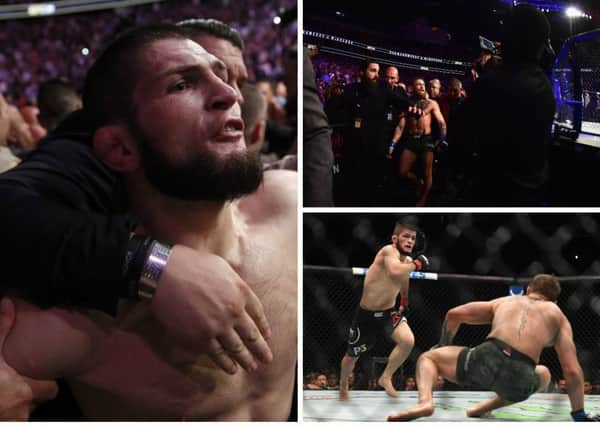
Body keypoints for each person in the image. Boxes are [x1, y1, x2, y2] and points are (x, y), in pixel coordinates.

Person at [0, 24, 296, 421]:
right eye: (181, 85)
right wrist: (151, 265)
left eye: (225, 78)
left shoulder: (288, 206)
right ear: (120, 148)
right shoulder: (76, 324)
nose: (230, 95)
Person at [387, 274, 599, 421]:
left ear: (528, 289)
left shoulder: (505, 302)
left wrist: (443, 346)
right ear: (554, 300)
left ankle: (425, 402)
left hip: (487, 357)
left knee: (428, 358)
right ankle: (483, 408)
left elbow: (454, 314)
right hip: (521, 376)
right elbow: (572, 370)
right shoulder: (557, 316)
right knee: (543, 374)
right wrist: (578, 413)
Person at [457, 4, 555, 205]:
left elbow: (461, 133)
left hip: (494, 191)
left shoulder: (492, 83)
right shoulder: (541, 84)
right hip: (529, 193)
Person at [339, 222, 429, 400]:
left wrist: (404, 299)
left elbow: (403, 279)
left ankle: (386, 377)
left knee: (407, 341)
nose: (410, 241)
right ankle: (343, 386)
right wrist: (418, 264)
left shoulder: (408, 261)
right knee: (352, 356)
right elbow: (395, 271)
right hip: (366, 315)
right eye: (406, 236)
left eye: (413, 238)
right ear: (395, 238)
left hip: (388, 313)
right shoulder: (388, 251)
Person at [390, 78, 446, 206]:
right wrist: (393, 144)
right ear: (412, 88)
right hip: (411, 140)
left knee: (428, 173)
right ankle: (417, 182)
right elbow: (400, 126)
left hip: (426, 140)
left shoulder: (431, 103)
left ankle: (423, 198)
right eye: (418, 85)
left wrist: (442, 139)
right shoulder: (407, 104)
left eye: (422, 84)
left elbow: (441, 122)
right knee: (402, 172)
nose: (421, 87)